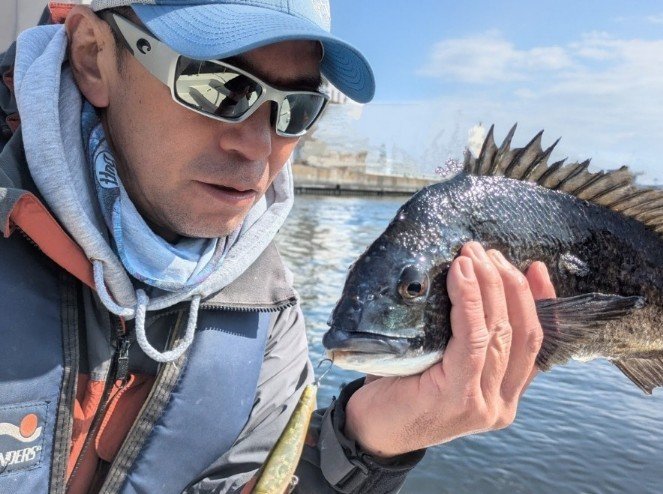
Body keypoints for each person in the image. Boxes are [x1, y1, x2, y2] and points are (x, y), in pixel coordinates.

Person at [0, 1, 555, 493]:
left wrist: (367, 442)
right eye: (218, 86)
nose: (259, 144)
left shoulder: (268, 312)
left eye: (297, 108)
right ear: (93, 57)